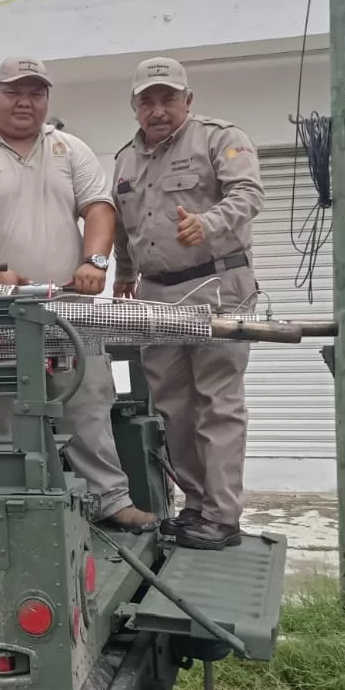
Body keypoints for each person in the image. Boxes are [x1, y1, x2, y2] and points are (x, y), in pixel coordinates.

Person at [0, 55, 156, 533]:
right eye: (13, 91)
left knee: (89, 398)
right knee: (6, 410)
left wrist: (96, 262)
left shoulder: (71, 148)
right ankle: (16, 507)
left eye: (36, 92)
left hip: (70, 308)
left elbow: (99, 209)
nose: (25, 101)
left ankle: (111, 499)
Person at [111, 56, 264, 551]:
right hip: (157, 292)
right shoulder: (125, 159)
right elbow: (123, 227)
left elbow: (249, 193)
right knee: (173, 405)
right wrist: (126, 276)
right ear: (135, 107)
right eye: (147, 101)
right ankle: (196, 505)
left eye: (168, 99)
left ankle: (223, 515)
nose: (158, 110)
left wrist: (209, 223)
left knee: (217, 402)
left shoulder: (220, 138)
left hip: (217, 285)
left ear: (187, 101)